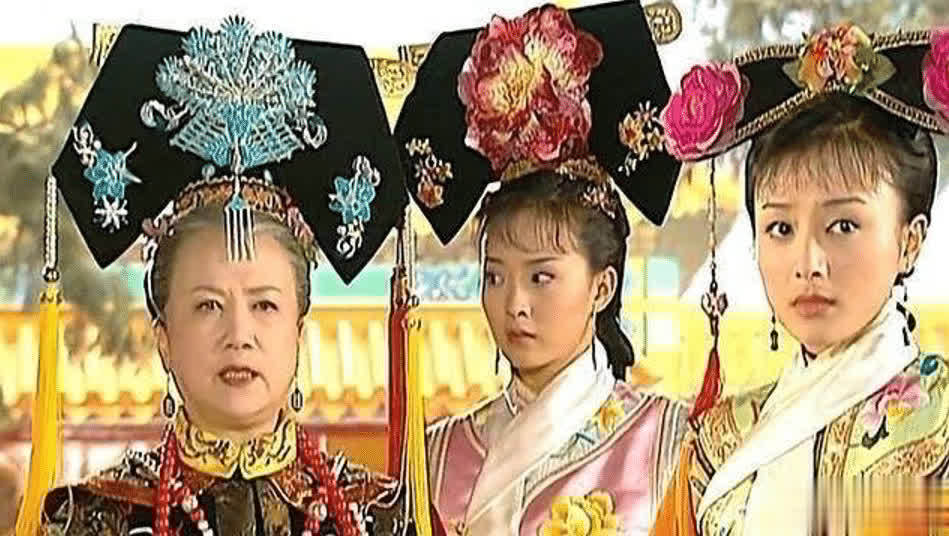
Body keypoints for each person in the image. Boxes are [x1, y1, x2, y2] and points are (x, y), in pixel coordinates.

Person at [17, 16, 443, 536]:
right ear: (163, 340)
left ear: (299, 333)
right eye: (208, 305)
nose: (239, 335)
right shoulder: (91, 521)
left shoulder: (381, 518)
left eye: (265, 305)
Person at [395, 3, 688, 535]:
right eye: (495, 276)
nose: (515, 304)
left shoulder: (666, 440)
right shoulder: (436, 454)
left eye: (541, 276)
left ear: (602, 286)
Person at [652, 23, 949, 535]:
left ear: (910, 240)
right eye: (781, 228)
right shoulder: (717, 443)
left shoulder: (940, 422)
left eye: (843, 226)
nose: (808, 262)